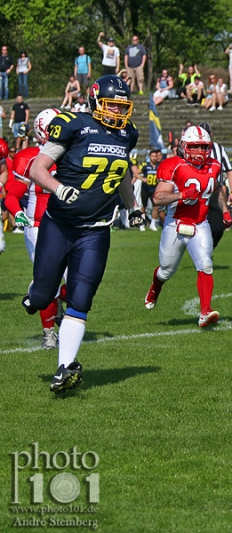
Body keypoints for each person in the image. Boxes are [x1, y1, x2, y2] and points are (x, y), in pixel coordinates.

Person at [22, 75, 143, 394]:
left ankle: (64, 367)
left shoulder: (126, 134)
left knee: (80, 299)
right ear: (95, 102)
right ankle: (35, 295)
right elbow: (37, 168)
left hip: (96, 229)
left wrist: (132, 205)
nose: (117, 112)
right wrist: (59, 188)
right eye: (111, 105)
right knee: (43, 296)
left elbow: (121, 175)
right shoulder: (73, 125)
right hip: (59, 226)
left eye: (122, 106)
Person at [144, 127, 230, 327]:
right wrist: (181, 195)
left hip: (200, 224)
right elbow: (157, 198)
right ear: (184, 146)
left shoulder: (215, 165)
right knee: (166, 271)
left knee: (205, 265)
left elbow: (217, 189)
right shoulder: (173, 165)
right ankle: (156, 287)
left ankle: (205, 312)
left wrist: (225, 210)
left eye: (203, 146)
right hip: (175, 224)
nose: (199, 151)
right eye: (194, 146)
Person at [4, 108, 63, 349]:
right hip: (38, 226)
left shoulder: (71, 154)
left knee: (78, 279)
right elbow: (11, 195)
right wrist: (17, 213)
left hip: (68, 224)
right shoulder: (28, 157)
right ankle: (49, 333)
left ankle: (42, 294)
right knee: (49, 279)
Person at [139, 149, 163, 231]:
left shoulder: (159, 166)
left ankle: (152, 223)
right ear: (150, 157)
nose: (154, 158)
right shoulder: (145, 165)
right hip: (145, 189)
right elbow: (136, 173)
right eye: (152, 156)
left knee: (156, 206)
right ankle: (141, 224)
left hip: (154, 189)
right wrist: (142, 178)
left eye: (155, 156)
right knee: (143, 207)